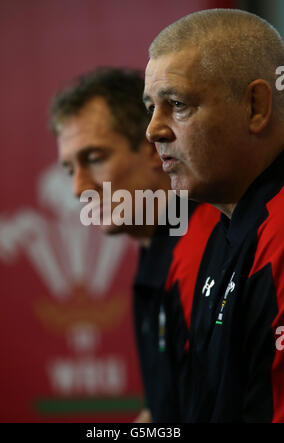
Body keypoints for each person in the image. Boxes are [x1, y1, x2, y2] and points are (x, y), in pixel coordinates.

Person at [49, 67, 219, 422]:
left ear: (153, 149)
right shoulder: (155, 249)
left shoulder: (204, 252)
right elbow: (162, 412)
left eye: (94, 158)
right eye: (69, 169)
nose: (78, 188)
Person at [144, 8, 284, 422]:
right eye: (151, 107)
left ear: (256, 105)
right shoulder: (226, 225)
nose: (153, 130)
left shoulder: (277, 237)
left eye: (177, 104)